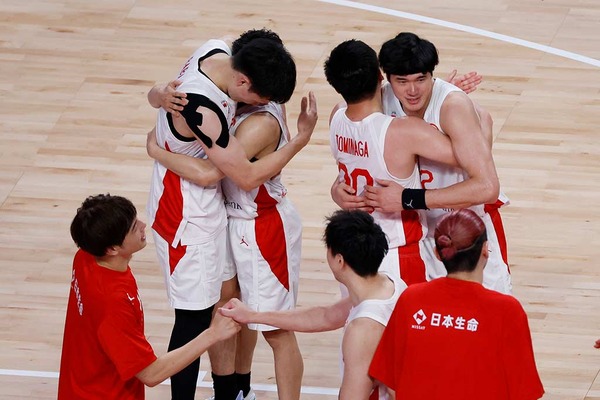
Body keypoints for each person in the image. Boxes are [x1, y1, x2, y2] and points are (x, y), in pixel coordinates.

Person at [147, 29, 317, 400]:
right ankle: (227, 392)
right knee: (196, 318)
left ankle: (236, 390)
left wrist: (156, 125)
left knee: (244, 316)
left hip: (243, 217)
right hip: (188, 211)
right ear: (242, 80)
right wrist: (301, 140)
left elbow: (222, 173)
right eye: (263, 95)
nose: (267, 103)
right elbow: (225, 174)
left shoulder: (219, 50)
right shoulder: (202, 107)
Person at [336, 32, 510, 293]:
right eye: (402, 81)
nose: (413, 90)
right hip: (420, 236)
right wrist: (338, 188)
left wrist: (408, 198)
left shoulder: (452, 106)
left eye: (421, 79)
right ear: (385, 77)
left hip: (467, 230)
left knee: (487, 320)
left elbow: (487, 187)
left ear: (432, 75)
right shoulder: (379, 101)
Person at [58, 194, 240, 400]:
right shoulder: (113, 304)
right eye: (134, 227)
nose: (144, 225)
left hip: (78, 388)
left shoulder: (86, 257)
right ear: (112, 249)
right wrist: (213, 334)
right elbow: (151, 374)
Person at [220, 210, 406, 399]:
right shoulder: (389, 285)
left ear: (339, 260)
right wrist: (254, 316)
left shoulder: (362, 329)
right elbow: (325, 316)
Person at [325, 39, 468, 286]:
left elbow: (354, 168)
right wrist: (444, 102)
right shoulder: (402, 131)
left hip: (353, 253)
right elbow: (468, 155)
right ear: (382, 78)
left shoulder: (336, 118)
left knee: (360, 322)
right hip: (396, 252)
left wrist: (335, 191)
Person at [369, 209, 544, 399]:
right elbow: (525, 392)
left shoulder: (411, 299)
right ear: (486, 250)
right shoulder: (507, 310)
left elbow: (391, 381)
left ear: (437, 253)